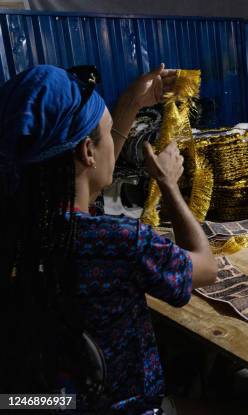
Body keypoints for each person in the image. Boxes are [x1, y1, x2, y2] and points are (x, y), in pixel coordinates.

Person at [0, 64, 217, 413]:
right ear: (87, 151)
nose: (113, 149)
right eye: (106, 135)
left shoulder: (21, 231)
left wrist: (131, 102)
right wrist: (168, 184)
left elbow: (89, 170)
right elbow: (205, 266)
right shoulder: (118, 243)